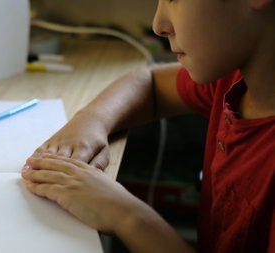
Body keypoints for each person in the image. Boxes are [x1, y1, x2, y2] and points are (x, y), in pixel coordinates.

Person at [21, 0, 275, 252]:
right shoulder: (234, 79)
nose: (158, 25)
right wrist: (90, 121)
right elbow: (149, 82)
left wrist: (125, 214)